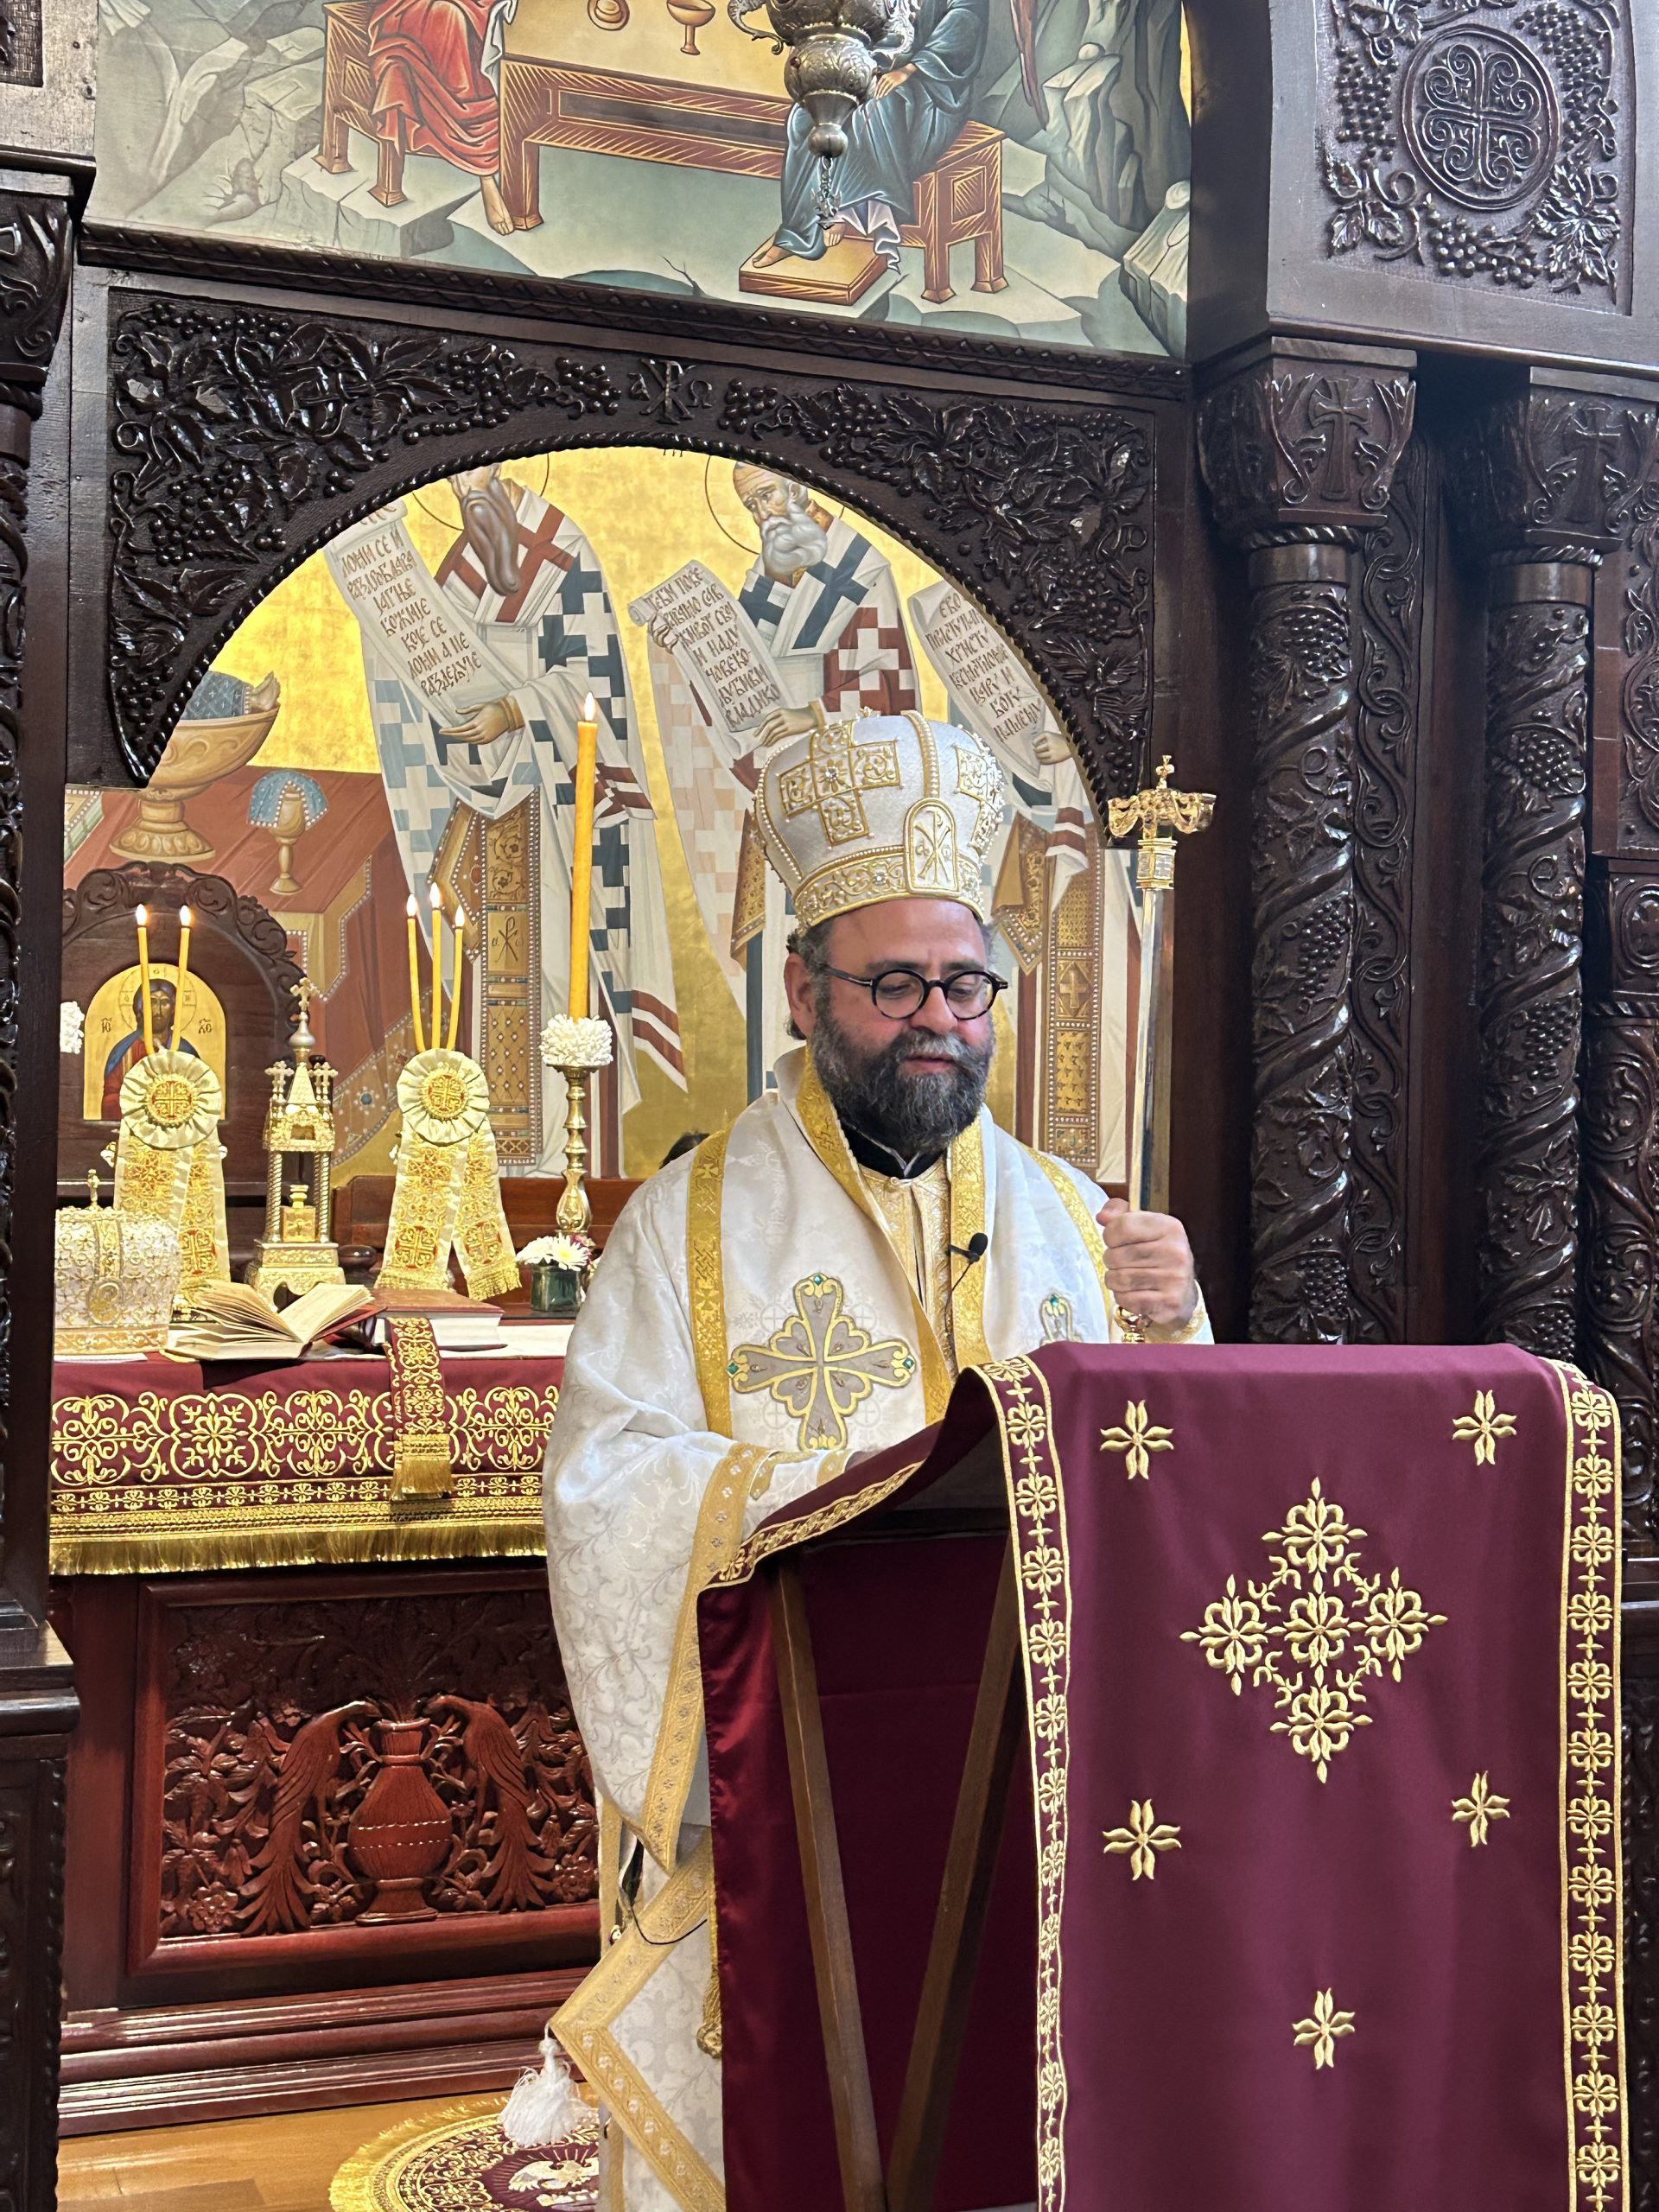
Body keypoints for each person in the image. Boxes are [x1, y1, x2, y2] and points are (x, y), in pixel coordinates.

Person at [542, 710, 1208, 2210]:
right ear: (804, 990)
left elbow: (1163, 1488)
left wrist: (1176, 1326)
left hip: (1027, 1762)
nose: (937, 1021)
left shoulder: (1074, 1219)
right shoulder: (688, 1227)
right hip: (797, 1754)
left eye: (966, 986)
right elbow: (602, 1486)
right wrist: (808, 1501)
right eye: (894, 983)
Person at [351, 465, 683, 1171]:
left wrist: (512, 710)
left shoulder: (562, 552)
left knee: (561, 977)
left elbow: (593, 686)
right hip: (480, 810)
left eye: (473, 474)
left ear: (500, 466)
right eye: (452, 482)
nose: (463, 490)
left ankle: (567, 1168)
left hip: (557, 816)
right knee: (486, 986)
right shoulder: (453, 569)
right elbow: (417, 677)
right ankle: (492, 1170)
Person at [752, 0, 988, 272]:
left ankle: (844, 210)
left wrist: (909, 70)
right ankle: (797, 231)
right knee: (804, 115)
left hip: (933, 86)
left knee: (874, 105)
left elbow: (966, 20)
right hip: (876, 65)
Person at [365, 0, 518, 235]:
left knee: (496, 24)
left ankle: (487, 157)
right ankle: (484, 171)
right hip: (410, 9)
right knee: (449, 18)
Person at [99, 980, 196, 1118]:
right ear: (141, 1007)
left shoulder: (185, 1051)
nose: (158, 1011)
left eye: (165, 1003)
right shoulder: (124, 1052)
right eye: (152, 1002)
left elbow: (202, 1094)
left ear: (174, 1008)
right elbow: (110, 1097)